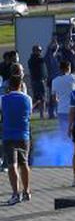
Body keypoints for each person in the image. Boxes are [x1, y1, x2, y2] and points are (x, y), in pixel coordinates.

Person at [3, 73, 33, 205]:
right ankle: (26, 191)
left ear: (9, 85)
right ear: (21, 85)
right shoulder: (28, 98)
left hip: (9, 135)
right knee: (24, 163)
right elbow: (29, 114)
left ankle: (16, 193)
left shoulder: (3, 99)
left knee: (12, 165)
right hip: (23, 135)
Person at [50, 60, 75, 142]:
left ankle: (64, 147)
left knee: (64, 133)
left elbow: (54, 98)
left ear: (60, 69)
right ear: (69, 68)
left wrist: (60, 103)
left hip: (61, 110)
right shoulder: (73, 77)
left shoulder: (54, 81)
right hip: (73, 110)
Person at [28, 45, 46, 119]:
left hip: (39, 80)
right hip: (37, 81)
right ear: (34, 51)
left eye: (40, 50)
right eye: (39, 50)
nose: (40, 52)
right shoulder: (34, 59)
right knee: (40, 99)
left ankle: (41, 114)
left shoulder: (35, 59)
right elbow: (44, 59)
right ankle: (39, 114)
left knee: (40, 98)